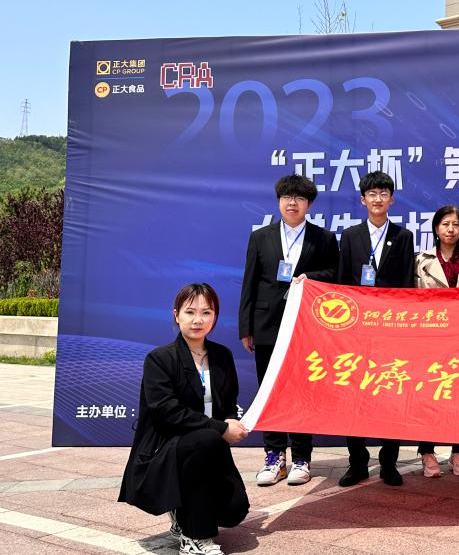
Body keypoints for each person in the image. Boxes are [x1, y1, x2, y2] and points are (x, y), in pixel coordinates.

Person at [119, 283, 249, 555]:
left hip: (210, 445)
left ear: (215, 317)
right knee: (205, 439)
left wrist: (231, 422)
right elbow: (167, 411)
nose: (198, 320)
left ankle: (182, 512)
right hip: (167, 448)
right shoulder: (159, 359)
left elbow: (228, 403)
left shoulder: (222, 356)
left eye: (206, 312)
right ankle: (194, 537)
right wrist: (220, 428)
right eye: (190, 312)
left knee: (234, 509)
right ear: (176, 315)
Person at [238, 174, 338, 487]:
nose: (291, 203)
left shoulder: (323, 238)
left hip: (305, 326)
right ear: (279, 201)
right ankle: (274, 457)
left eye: (299, 198)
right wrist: (246, 327)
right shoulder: (261, 237)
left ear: (309, 204)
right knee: (270, 391)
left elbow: (335, 274)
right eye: (286, 197)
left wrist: (311, 276)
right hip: (266, 324)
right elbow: (249, 282)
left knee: (302, 391)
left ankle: (302, 458)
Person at [337, 170, 415, 487]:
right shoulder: (350, 236)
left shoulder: (403, 236)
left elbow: (407, 284)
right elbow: (342, 282)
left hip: (391, 330)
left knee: (390, 395)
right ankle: (357, 463)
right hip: (357, 331)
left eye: (384, 193)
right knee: (354, 397)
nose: (378, 199)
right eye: (372, 194)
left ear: (391, 200)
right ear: (363, 200)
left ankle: (389, 464)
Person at [413, 204, 459, 478]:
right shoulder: (421, 260)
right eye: (445, 224)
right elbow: (413, 299)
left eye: (456, 224)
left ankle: (458, 451)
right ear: (436, 228)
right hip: (430, 338)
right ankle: (427, 451)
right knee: (428, 395)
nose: (451, 229)